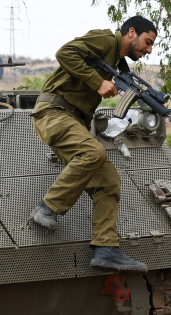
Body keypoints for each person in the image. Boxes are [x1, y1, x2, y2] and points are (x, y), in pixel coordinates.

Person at [29, 16, 158, 274]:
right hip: (53, 112)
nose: (149, 49)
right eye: (147, 42)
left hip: (72, 120)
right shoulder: (105, 40)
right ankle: (46, 208)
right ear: (131, 32)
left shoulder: (118, 65)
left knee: (109, 179)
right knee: (93, 152)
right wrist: (98, 82)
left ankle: (106, 248)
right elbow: (64, 52)